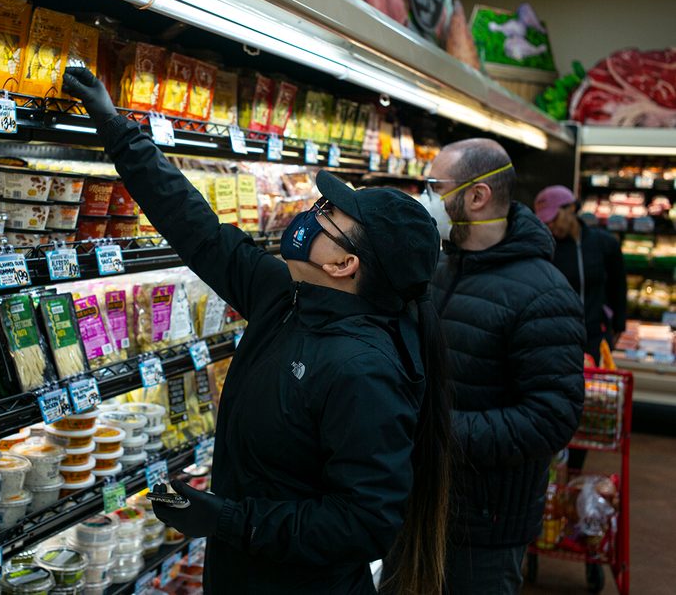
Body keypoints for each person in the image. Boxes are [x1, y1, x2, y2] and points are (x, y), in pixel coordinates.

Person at [62, 67, 450, 595]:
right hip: (240, 574)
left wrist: (229, 520)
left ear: (344, 264)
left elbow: (362, 525)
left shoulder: (364, 370)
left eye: (327, 214)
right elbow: (197, 229)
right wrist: (115, 126)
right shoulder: (287, 297)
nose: (309, 215)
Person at [419, 138, 585, 595]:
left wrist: (437, 430)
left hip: (484, 528)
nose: (426, 198)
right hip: (419, 508)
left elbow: (551, 418)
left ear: (476, 197)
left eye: (434, 186)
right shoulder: (439, 268)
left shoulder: (543, 294)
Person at [534, 185, 627, 363]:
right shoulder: (546, 249)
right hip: (557, 339)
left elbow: (618, 285)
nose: (550, 226)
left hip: (595, 335)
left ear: (571, 208)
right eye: (545, 222)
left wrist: (618, 324)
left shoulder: (605, 243)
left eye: (553, 218)